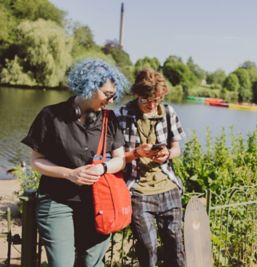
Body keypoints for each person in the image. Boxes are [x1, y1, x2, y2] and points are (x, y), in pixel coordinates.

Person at [21, 59, 128, 267]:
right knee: (63, 264)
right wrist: (69, 174)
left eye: (114, 95)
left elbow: (120, 160)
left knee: (92, 263)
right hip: (57, 200)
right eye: (107, 94)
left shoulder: (110, 119)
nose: (111, 100)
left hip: (99, 203)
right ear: (88, 86)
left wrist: (103, 167)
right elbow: (36, 162)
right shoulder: (50, 116)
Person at [116, 69, 186, 267]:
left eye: (157, 100)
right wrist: (137, 153)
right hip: (138, 191)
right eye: (148, 100)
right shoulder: (121, 115)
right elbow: (116, 158)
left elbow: (177, 149)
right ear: (137, 94)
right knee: (148, 250)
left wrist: (167, 154)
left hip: (168, 187)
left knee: (176, 248)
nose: (153, 105)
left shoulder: (168, 112)